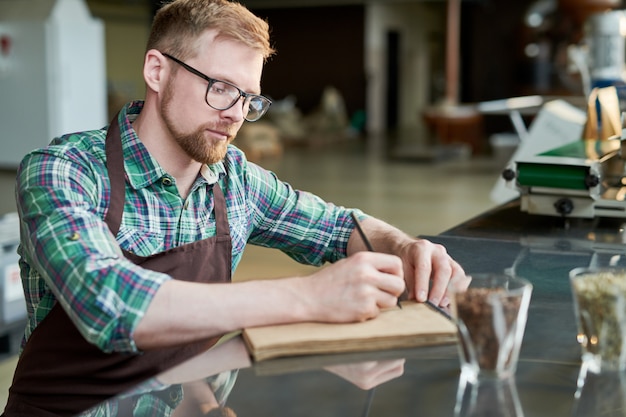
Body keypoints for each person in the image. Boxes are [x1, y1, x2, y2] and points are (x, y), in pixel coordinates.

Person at [3, 0, 465, 415]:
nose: (236, 114)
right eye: (221, 88)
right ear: (157, 71)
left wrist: (405, 247)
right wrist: (308, 298)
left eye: (249, 99)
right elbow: (110, 303)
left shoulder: (236, 182)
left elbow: (340, 227)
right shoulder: (63, 171)